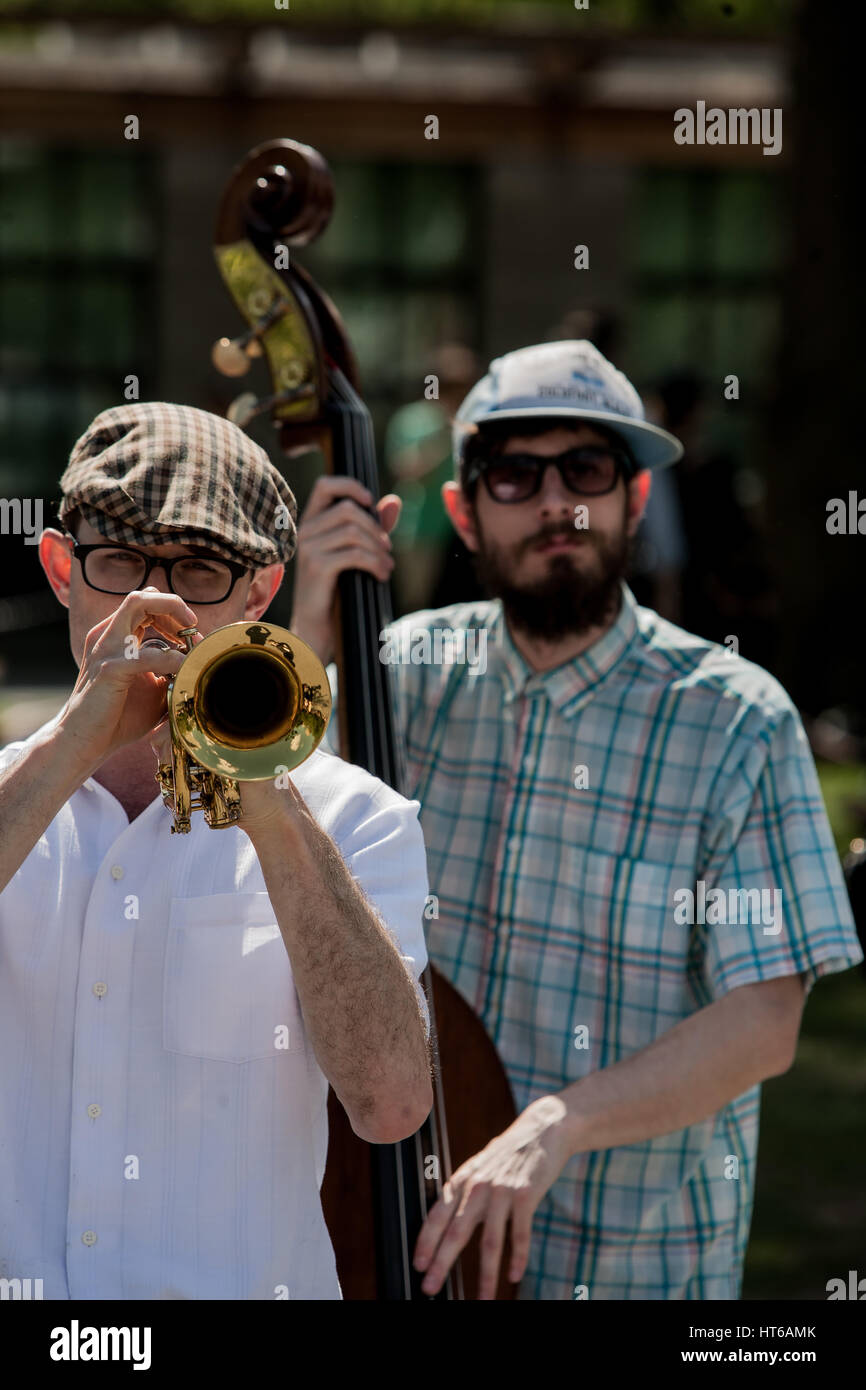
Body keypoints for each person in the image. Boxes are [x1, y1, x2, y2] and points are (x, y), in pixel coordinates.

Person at [289, 339, 863, 1301]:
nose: (557, 502)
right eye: (515, 474)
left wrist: (556, 1123)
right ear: (465, 515)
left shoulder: (738, 718)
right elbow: (260, 845)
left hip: (634, 1264)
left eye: (587, 469)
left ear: (635, 500)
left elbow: (763, 1020)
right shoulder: (397, 674)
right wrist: (308, 622)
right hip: (404, 1241)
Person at [0, 402, 432, 1301]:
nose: (152, 607)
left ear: (260, 593)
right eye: (117, 561)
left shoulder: (361, 820)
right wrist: (73, 742)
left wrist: (267, 797)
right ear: (57, 567)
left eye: (197, 569)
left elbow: (391, 1107)